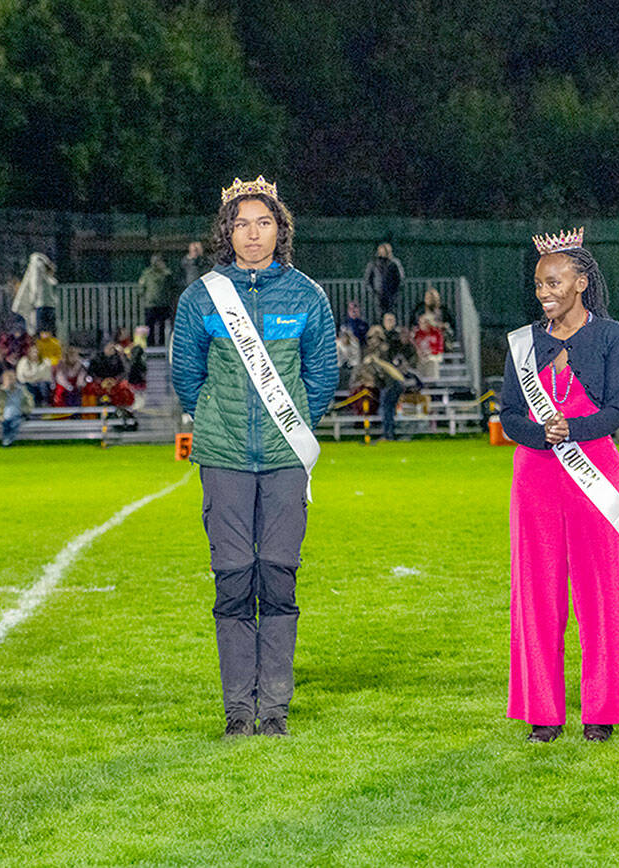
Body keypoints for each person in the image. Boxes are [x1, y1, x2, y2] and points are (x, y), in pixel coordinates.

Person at [172, 176, 338, 739]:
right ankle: (238, 712)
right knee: (234, 578)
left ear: (280, 229)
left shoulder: (308, 296)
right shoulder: (200, 298)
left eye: (263, 223)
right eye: (241, 224)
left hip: (285, 457)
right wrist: (217, 422)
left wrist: (288, 430)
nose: (252, 234)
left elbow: (322, 378)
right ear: (227, 231)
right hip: (223, 459)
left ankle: (275, 710)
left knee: (279, 574)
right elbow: (186, 378)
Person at [500, 227, 619, 744]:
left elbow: (614, 411)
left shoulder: (612, 337)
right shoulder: (523, 343)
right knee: (536, 592)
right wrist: (543, 434)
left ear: (581, 282)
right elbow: (508, 414)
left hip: (594, 469)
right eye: (539, 284)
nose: (544, 292)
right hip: (536, 475)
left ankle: (602, 710)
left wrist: (571, 430)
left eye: (555, 282)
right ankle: (543, 711)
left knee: (601, 590)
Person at [12, 252, 57, 334]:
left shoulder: (39, 271)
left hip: (42, 306)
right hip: (49, 306)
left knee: (41, 331)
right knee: (49, 331)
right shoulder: (46, 276)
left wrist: (33, 300)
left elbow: (34, 284)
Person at [138, 253, 173, 346]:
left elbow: (171, 285)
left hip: (163, 303)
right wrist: (143, 295)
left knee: (162, 325)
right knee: (150, 325)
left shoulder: (166, 273)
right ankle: (150, 343)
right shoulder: (147, 273)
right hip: (150, 304)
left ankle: (161, 343)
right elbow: (141, 286)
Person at [363, 241, 405, 316]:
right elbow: (367, 280)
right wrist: (373, 293)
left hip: (391, 295)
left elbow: (400, 279)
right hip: (378, 295)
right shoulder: (373, 263)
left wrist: (395, 293)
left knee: (392, 314)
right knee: (378, 316)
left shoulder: (394, 263)